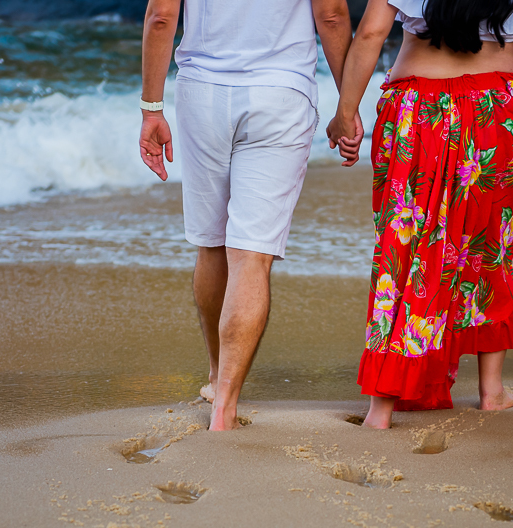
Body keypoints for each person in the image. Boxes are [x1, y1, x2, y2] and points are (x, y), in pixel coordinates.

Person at [327, 0, 513, 428]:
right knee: (488, 250)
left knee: (401, 253)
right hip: (498, 113)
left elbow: (370, 34)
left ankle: (381, 408)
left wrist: (347, 115)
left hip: (417, 113)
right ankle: (491, 391)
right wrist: (505, 40)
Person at [138, 0, 363, 430]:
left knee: (211, 245)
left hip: (202, 92)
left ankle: (213, 372)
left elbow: (161, 16)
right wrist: (347, 102)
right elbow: (332, 14)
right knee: (251, 256)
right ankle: (224, 405)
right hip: (281, 92)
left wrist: (151, 108)